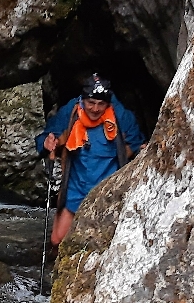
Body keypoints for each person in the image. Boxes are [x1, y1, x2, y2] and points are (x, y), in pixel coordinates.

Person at [36, 74, 145, 246]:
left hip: (107, 190)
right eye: (91, 103)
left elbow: (137, 142)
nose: (95, 109)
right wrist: (46, 142)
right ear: (83, 100)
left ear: (108, 103)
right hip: (76, 187)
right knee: (57, 240)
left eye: (101, 104)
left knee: (101, 243)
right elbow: (43, 138)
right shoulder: (70, 112)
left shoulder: (120, 116)